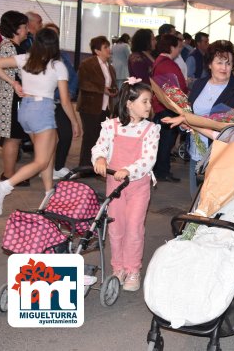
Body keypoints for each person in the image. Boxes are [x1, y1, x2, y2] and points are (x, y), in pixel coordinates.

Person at [0, 28, 80, 216]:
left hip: (26, 110)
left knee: (49, 149)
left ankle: (48, 193)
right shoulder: (57, 65)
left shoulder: (25, 58)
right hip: (43, 110)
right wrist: (75, 122)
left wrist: (14, 83)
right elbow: (65, 100)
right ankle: (5, 186)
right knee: (41, 161)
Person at [91, 81, 160, 291]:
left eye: (150, 101)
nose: (149, 105)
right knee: (115, 227)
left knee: (134, 228)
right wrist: (100, 159)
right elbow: (99, 146)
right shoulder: (110, 126)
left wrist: (129, 170)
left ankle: (133, 270)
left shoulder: (150, 129)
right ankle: (118, 267)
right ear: (129, 104)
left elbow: (149, 159)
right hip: (115, 186)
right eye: (144, 101)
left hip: (138, 186)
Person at [186, 40, 234, 199]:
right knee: (195, 199)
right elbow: (189, 111)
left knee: (214, 203)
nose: (224, 68)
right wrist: (184, 124)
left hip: (224, 157)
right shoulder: (199, 84)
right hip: (196, 153)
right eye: (219, 62)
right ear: (210, 64)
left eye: (228, 63)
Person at [0, 11, 30, 187]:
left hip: (14, 98)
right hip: (10, 99)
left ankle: (10, 173)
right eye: (24, 27)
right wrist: (14, 82)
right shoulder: (8, 46)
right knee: (12, 138)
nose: (27, 30)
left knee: (14, 137)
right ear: (16, 29)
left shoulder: (13, 46)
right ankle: (8, 176)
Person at [43, 23, 79, 179]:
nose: (53, 38)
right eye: (50, 34)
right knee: (47, 141)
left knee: (66, 135)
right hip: (43, 105)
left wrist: (69, 91)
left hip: (60, 102)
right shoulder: (35, 57)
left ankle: (57, 167)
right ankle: (44, 168)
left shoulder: (62, 57)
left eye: (56, 35)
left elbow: (73, 76)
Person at [151, 33, 187, 183]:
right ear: (171, 47)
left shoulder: (159, 61)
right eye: (178, 47)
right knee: (166, 142)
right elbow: (180, 86)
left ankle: (159, 170)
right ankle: (162, 171)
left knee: (161, 142)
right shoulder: (168, 64)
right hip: (167, 107)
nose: (179, 50)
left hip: (160, 105)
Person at [77, 36, 117, 168]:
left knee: (101, 138)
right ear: (97, 51)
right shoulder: (87, 64)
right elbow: (83, 84)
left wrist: (114, 91)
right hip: (89, 106)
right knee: (90, 136)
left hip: (105, 106)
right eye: (105, 47)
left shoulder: (110, 67)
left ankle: (97, 165)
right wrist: (103, 89)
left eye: (108, 46)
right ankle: (84, 166)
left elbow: (112, 84)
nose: (108, 50)